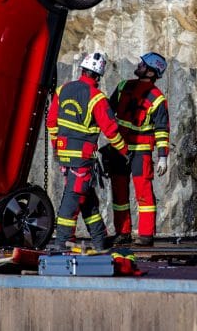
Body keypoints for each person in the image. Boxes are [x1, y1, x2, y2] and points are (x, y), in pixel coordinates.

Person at [46, 51, 128, 251]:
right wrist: (125, 151)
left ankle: (100, 240)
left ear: (82, 69)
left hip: (64, 155)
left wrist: (58, 147)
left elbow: (51, 123)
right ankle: (62, 242)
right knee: (73, 198)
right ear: (98, 76)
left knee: (87, 198)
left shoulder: (62, 90)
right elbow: (110, 130)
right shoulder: (97, 97)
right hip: (82, 157)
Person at [106, 52, 171, 247]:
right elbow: (107, 112)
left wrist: (162, 157)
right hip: (119, 148)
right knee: (119, 194)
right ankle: (122, 232)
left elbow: (162, 129)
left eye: (143, 65)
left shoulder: (158, 98)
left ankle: (145, 235)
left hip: (141, 151)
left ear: (151, 72)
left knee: (144, 193)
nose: (138, 65)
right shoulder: (123, 86)